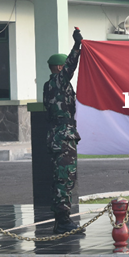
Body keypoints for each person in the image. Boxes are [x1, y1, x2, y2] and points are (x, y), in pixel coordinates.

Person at [43, 27, 84, 234]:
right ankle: (63, 220)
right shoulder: (59, 81)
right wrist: (77, 44)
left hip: (57, 137)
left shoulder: (49, 85)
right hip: (63, 137)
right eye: (63, 67)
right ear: (58, 67)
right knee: (65, 179)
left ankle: (62, 220)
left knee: (61, 178)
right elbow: (71, 65)